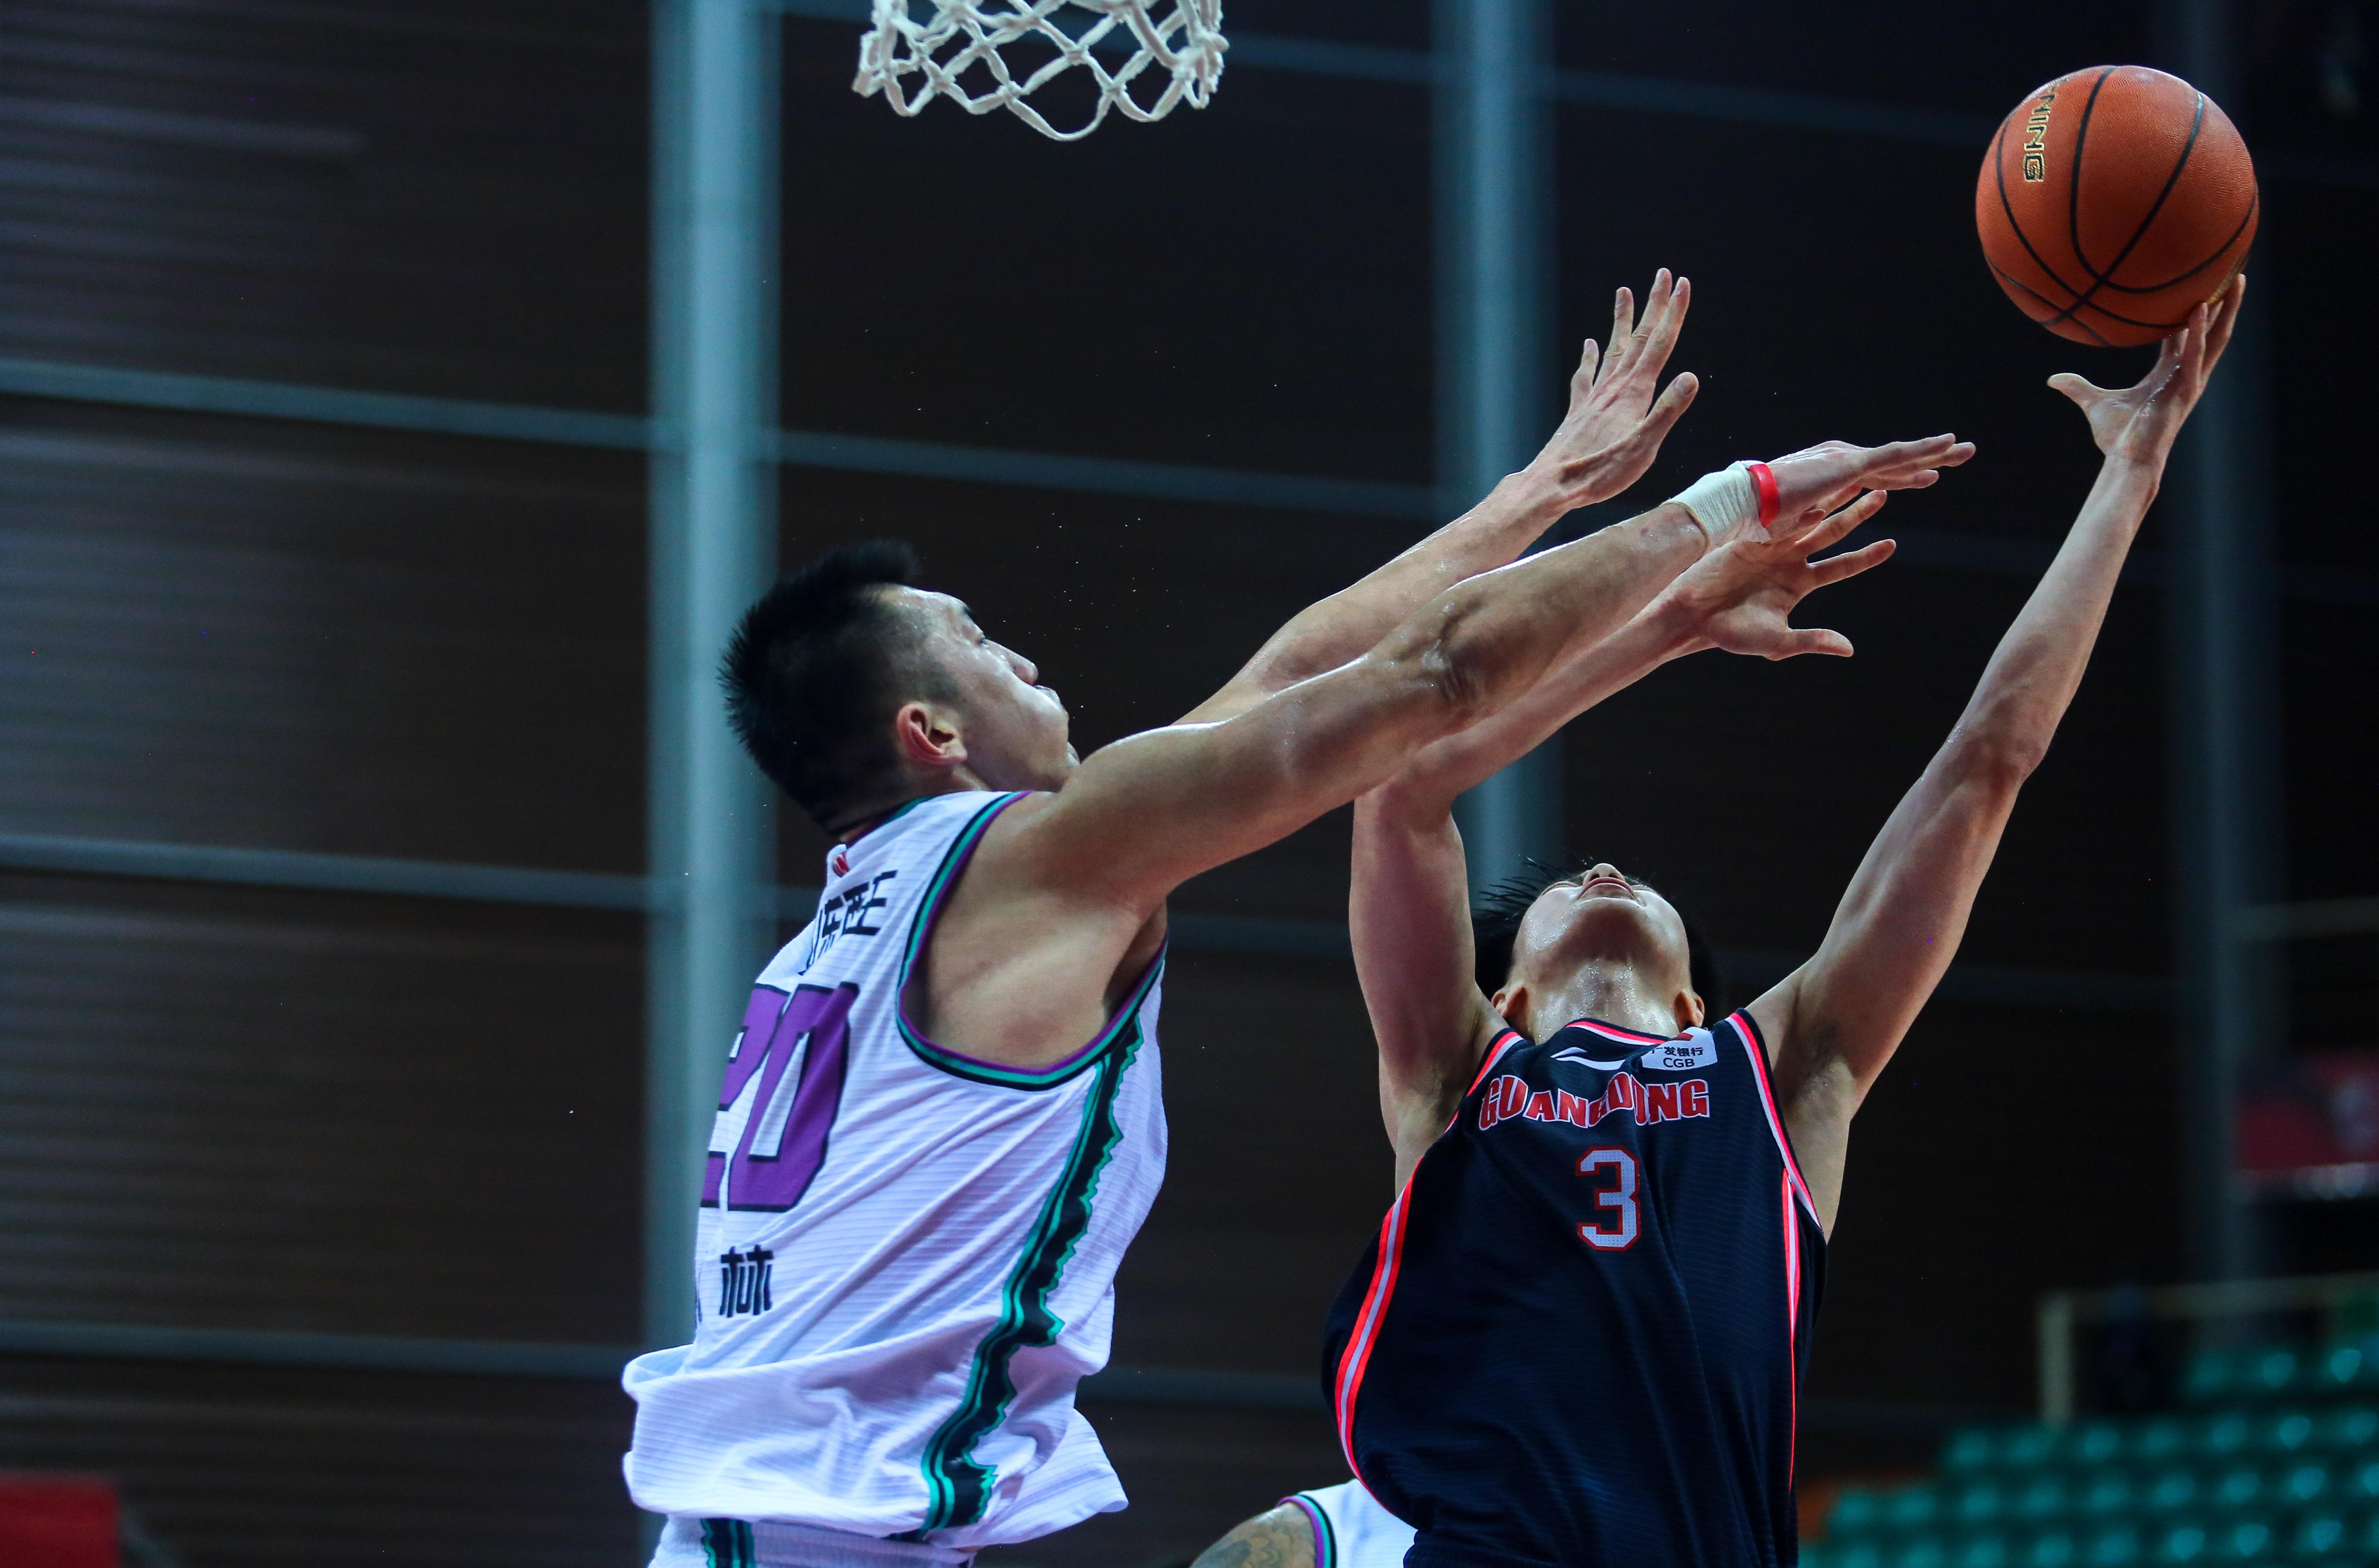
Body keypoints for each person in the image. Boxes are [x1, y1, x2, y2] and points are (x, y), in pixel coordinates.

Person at [615, 270, 1968, 1568]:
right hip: (816, 1536)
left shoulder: (887, 909)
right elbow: (1426, 677)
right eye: (981, 644)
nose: (1023, 657)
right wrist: (1730, 505)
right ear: (932, 733)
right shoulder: (1033, 863)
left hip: (792, 1524)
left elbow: (1287, 680)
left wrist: (1537, 495)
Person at [1226, 282, 2234, 1568]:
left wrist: (2129, 477)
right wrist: (1664, 625)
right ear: (1512, 1001)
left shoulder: (1787, 1068)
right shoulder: (1453, 1069)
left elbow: (1990, 759)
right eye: (1563, 886)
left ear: (1698, 1008)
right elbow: (1406, 781)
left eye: (1627, 878)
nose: (1598, 865)